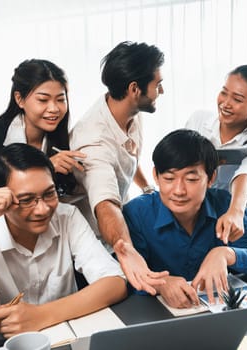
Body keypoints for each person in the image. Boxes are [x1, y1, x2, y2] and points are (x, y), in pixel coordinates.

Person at [0, 143, 126, 344]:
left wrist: (41, 315)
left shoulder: (67, 217)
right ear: (0, 198)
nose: (42, 209)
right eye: (26, 200)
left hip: (68, 340)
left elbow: (115, 282)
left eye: (49, 193)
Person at [123, 129, 247, 308]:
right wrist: (161, 284)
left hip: (216, 314)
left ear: (211, 178)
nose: (179, 190)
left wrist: (226, 254)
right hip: (156, 317)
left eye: (191, 179)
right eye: (169, 178)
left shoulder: (225, 205)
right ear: (156, 176)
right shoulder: (136, 213)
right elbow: (125, 275)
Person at [70, 41, 168, 294]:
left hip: (116, 231)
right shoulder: (93, 141)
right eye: (157, 84)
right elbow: (105, 204)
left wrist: (147, 187)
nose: (162, 90)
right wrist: (127, 249)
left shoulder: (132, 110)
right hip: (91, 241)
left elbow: (126, 155)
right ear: (135, 89)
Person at [0, 59, 85, 227]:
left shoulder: (63, 140)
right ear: (19, 99)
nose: (54, 108)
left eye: (60, 99)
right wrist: (47, 167)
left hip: (29, 229)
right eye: (43, 100)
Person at [186, 64, 247, 244]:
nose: (226, 103)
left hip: (229, 212)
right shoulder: (199, 120)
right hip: (190, 208)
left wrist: (235, 212)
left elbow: (246, 174)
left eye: (238, 99)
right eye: (224, 93)